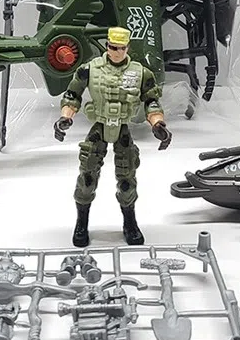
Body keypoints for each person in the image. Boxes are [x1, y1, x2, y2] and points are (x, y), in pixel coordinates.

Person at [54, 27, 172, 246]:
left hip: (122, 129)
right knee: (87, 178)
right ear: (107, 45)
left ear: (128, 48)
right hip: (99, 126)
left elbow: (151, 101)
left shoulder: (141, 73)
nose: (116, 52)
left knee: (127, 180)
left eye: (121, 48)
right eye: (112, 47)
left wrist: (158, 124)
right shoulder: (89, 69)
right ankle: (81, 223)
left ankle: (130, 223)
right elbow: (72, 95)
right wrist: (65, 118)